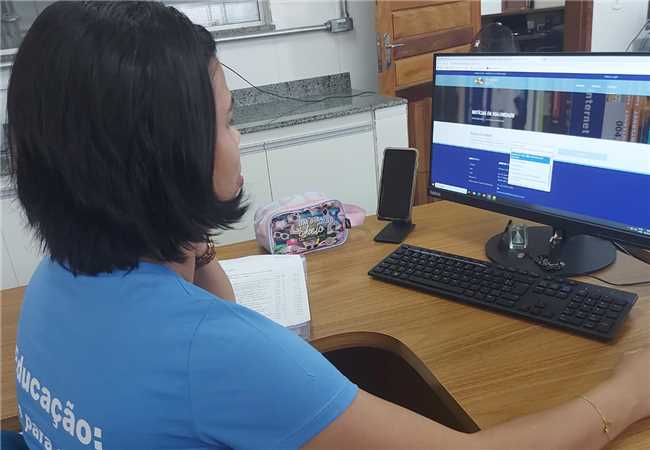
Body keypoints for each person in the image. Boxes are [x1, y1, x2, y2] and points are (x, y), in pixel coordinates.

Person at [6, 2, 649, 449]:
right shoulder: (219, 357)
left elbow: (216, 321)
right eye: (228, 120)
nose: (238, 136)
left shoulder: (53, 284)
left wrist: (185, 232)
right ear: (167, 158)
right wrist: (627, 393)